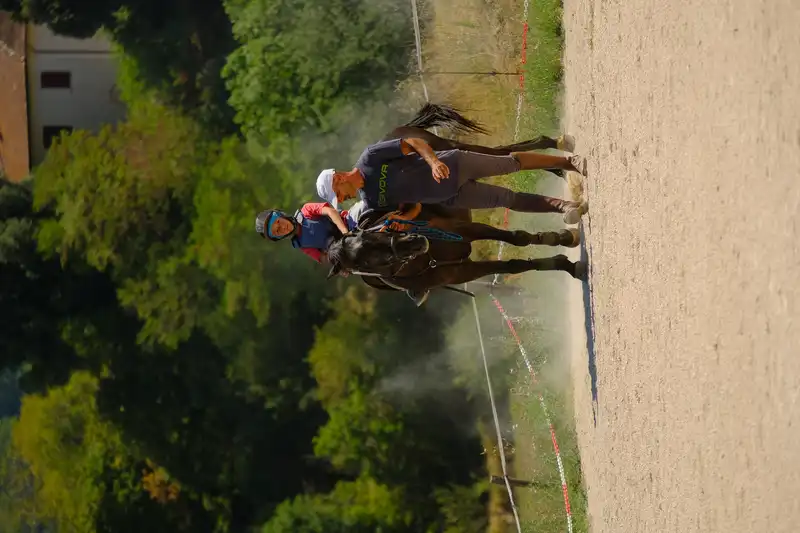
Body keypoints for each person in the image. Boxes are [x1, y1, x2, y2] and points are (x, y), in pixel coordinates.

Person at [315, 137, 588, 223]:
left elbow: (413, 142)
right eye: (340, 200)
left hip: (454, 165)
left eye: (340, 194)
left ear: (339, 178)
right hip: (449, 197)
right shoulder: (371, 202)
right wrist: (401, 221)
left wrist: (434, 162)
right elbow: (414, 209)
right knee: (507, 200)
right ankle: (564, 207)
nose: (344, 199)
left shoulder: (370, 158)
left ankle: (568, 162)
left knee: (510, 164)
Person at [255, 200, 430, 305]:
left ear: (280, 215)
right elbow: (322, 257)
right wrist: (340, 264)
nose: (281, 228)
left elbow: (329, 211)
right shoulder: (300, 244)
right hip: (344, 249)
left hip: (350, 222)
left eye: (278, 223)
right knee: (374, 276)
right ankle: (412, 283)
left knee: (368, 205)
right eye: (277, 231)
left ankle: (408, 204)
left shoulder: (306, 211)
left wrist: (346, 233)